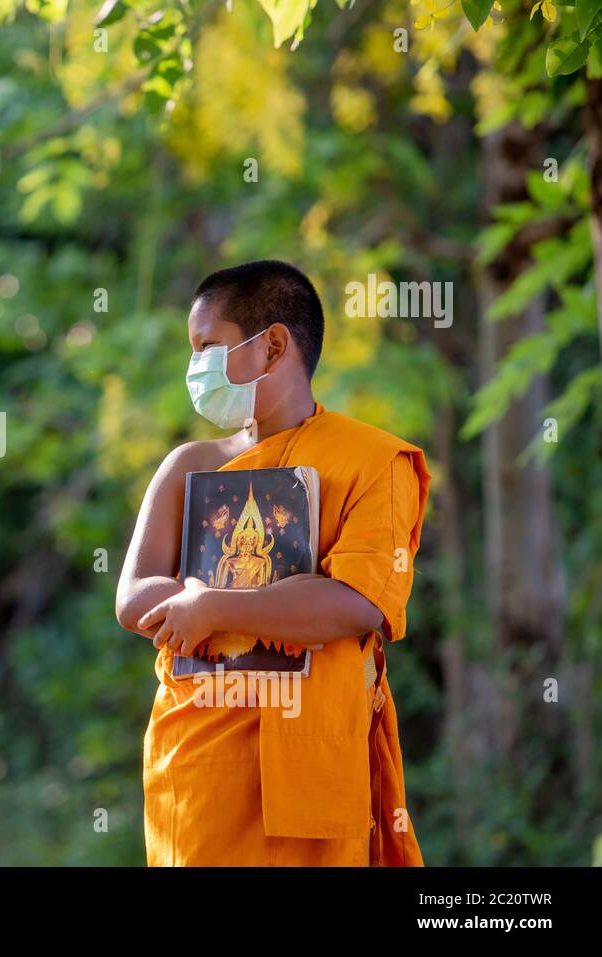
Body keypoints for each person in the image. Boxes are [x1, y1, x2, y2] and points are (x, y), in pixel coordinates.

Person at [116, 260, 427, 866]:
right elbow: (132, 598)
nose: (194, 368)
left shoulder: (372, 462)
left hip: (316, 759)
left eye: (209, 346)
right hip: (201, 762)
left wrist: (209, 606)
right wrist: (267, 603)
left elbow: (356, 603)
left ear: (273, 346)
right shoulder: (189, 467)